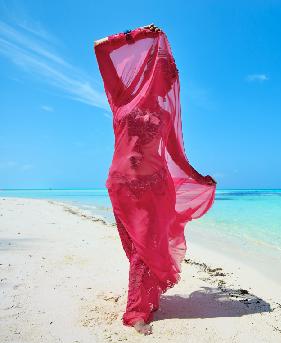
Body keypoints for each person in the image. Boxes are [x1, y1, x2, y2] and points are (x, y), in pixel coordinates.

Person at [94, 23, 217, 335]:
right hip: (120, 186)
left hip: (155, 189)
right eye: (164, 75)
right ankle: (147, 297)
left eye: (169, 79)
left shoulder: (163, 115)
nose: (166, 84)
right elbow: (99, 48)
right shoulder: (121, 97)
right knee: (134, 248)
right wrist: (134, 36)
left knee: (142, 250)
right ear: (151, 71)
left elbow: (176, 155)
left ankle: (136, 311)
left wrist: (198, 177)